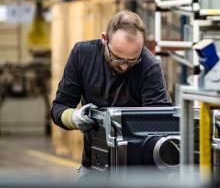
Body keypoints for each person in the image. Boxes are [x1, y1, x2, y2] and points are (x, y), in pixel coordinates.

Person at [51, 11, 171, 173]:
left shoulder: (149, 67)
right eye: (117, 58)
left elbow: (161, 124)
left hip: (138, 171)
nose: (124, 66)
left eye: (132, 60)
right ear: (104, 39)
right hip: (95, 165)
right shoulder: (82, 55)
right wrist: (74, 117)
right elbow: (59, 107)